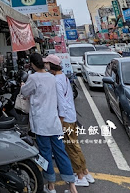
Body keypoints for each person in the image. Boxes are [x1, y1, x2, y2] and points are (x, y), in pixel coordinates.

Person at [20, 53, 78, 193]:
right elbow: (60, 100)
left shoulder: (33, 78)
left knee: (45, 153)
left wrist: (23, 84)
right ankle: (72, 186)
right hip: (54, 122)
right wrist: (62, 117)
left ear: (33, 65)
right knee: (60, 152)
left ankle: (51, 186)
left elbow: (24, 92)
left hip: (41, 123)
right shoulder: (52, 78)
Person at [45, 55, 95, 187]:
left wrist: (61, 120)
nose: (45, 66)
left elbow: (61, 101)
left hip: (65, 118)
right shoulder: (64, 77)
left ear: (52, 65)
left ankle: (79, 176)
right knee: (75, 145)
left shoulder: (56, 80)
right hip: (71, 116)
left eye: (47, 64)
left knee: (70, 148)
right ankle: (85, 172)